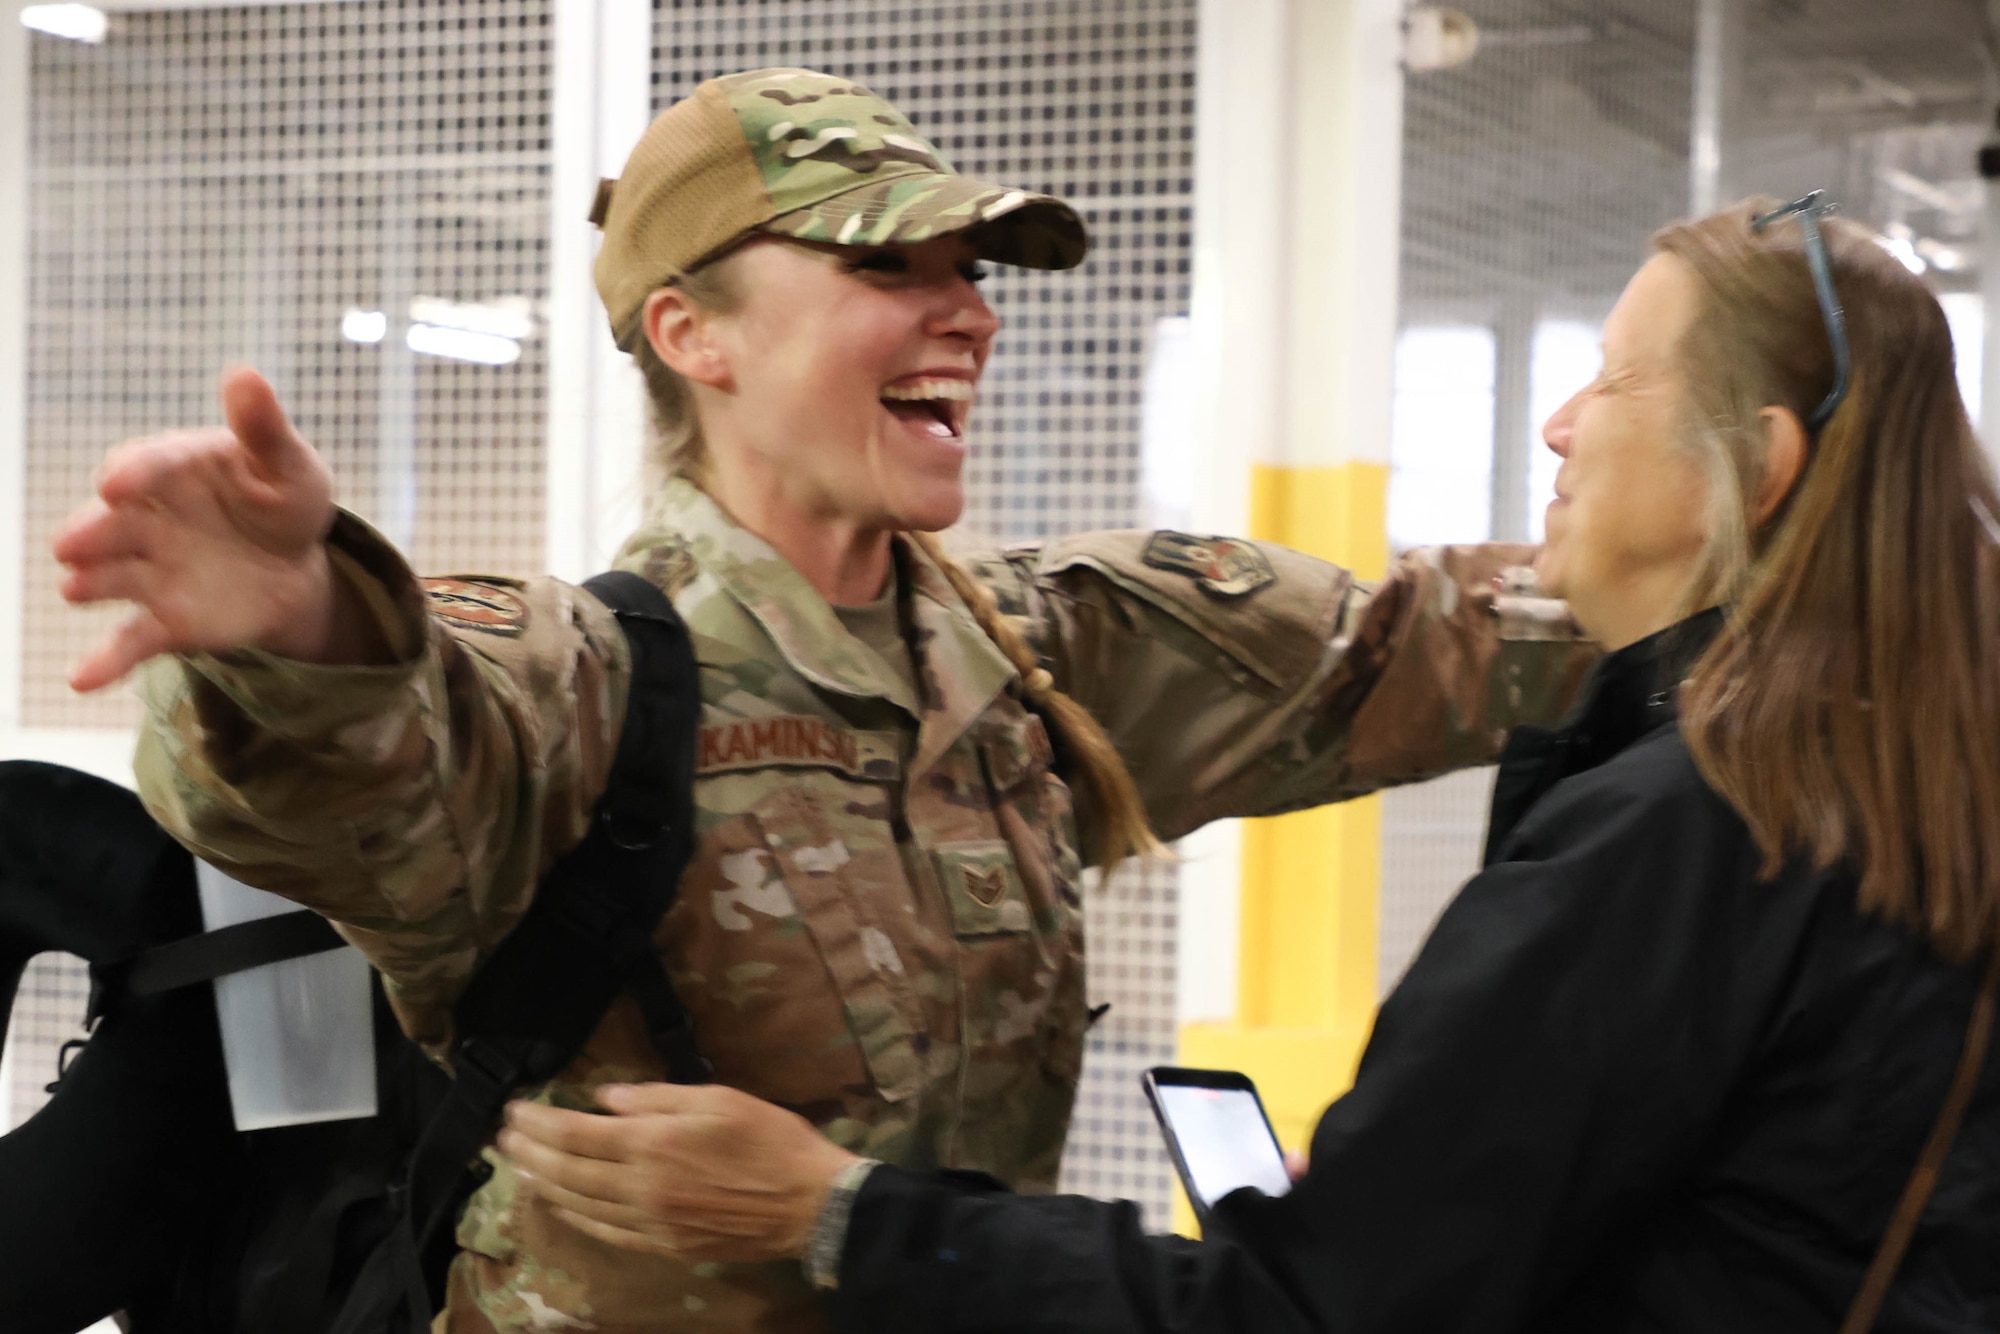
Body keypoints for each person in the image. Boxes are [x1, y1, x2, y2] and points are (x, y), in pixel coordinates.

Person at [53, 69, 1593, 1334]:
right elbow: (377, 759)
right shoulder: (587, 684)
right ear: (690, 333)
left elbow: (1420, 651)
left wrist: (1733, 560)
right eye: (885, 265)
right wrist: (305, 629)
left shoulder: (1051, 657)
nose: (968, 314)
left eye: (968, 272)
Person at [495, 193, 2000, 1333]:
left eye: (1610, 380)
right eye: (884, 269)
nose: (1557, 424)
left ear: (1762, 463)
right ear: (693, 338)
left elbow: (1313, 1310)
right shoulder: (1915, 775)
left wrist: (837, 1215)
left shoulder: (1688, 831)